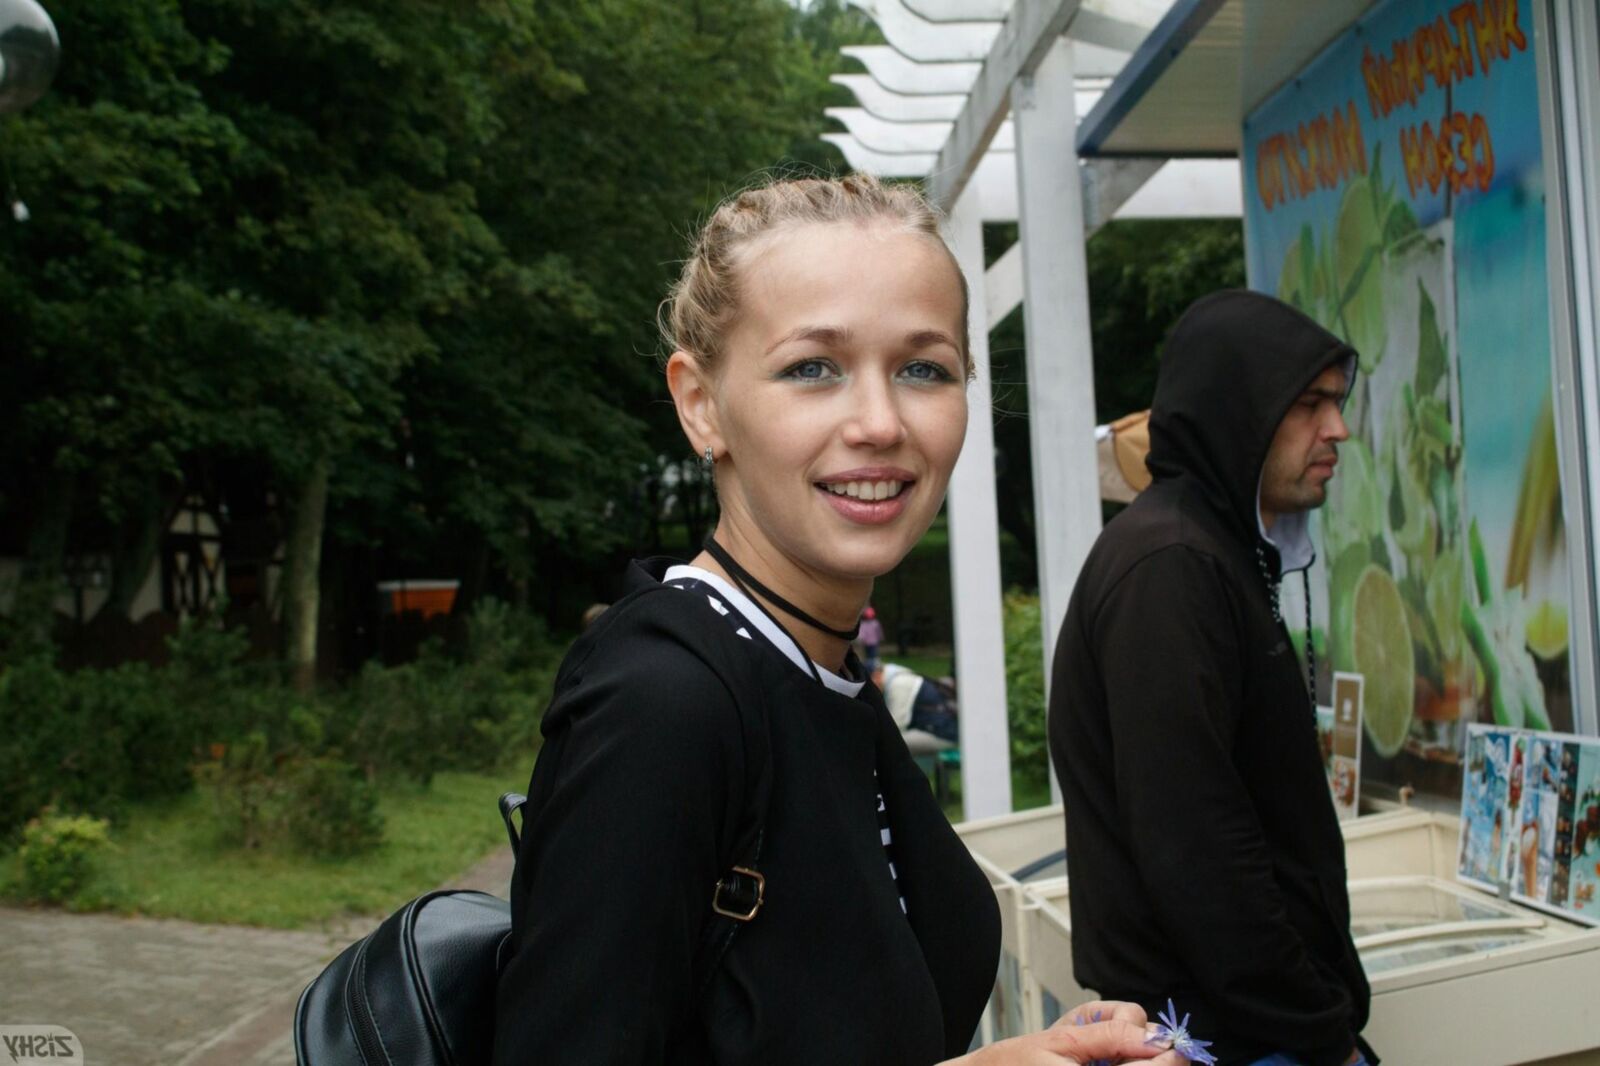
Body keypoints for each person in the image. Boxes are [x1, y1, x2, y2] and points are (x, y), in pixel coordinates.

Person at [492, 174, 1189, 1066]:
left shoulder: (811, 671)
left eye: (924, 369)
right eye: (812, 368)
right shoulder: (662, 704)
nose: (880, 422)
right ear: (701, 403)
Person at [1048, 291, 1377, 1066]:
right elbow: (1196, 848)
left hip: (1249, 1026)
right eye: (1309, 404)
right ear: (1240, 411)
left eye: (1337, 402)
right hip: (1226, 1038)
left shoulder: (1206, 549)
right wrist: (1319, 1028)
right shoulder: (1172, 566)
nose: (1339, 428)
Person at [859, 603, 885, 672]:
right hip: (873, 643)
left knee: (870, 656)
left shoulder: (864, 624)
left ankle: (871, 668)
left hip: (868, 643)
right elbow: (879, 632)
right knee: (872, 656)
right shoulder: (875, 623)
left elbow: (862, 634)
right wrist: (880, 638)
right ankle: (872, 668)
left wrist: (862, 640)